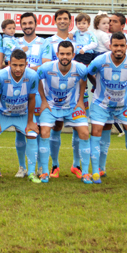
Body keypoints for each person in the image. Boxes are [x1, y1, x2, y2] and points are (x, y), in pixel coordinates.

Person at [86, 32, 127, 186]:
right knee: (96, 131)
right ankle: (96, 172)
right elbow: (89, 73)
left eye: (122, 45)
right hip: (102, 104)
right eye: (116, 45)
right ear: (110, 46)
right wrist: (97, 85)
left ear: (126, 46)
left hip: (124, 104)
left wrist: (126, 85)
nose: (119, 48)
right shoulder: (99, 61)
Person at [37, 41, 91, 183]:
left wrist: (80, 100)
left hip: (72, 107)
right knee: (44, 132)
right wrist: (43, 100)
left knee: (85, 132)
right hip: (51, 106)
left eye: (68, 54)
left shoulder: (80, 68)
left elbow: (84, 81)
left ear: (73, 55)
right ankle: (47, 170)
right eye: (62, 54)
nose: (65, 57)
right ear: (57, 55)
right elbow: (36, 79)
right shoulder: (46, 68)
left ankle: (85, 172)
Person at [0, 49, 42, 184]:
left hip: (22, 113)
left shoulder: (33, 76)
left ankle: (31, 172)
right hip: (3, 113)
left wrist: (30, 122)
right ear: (9, 63)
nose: (17, 68)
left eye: (21, 65)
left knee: (32, 134)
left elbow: (32, 98)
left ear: (26, 64)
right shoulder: (0, 76)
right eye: (14, 65)